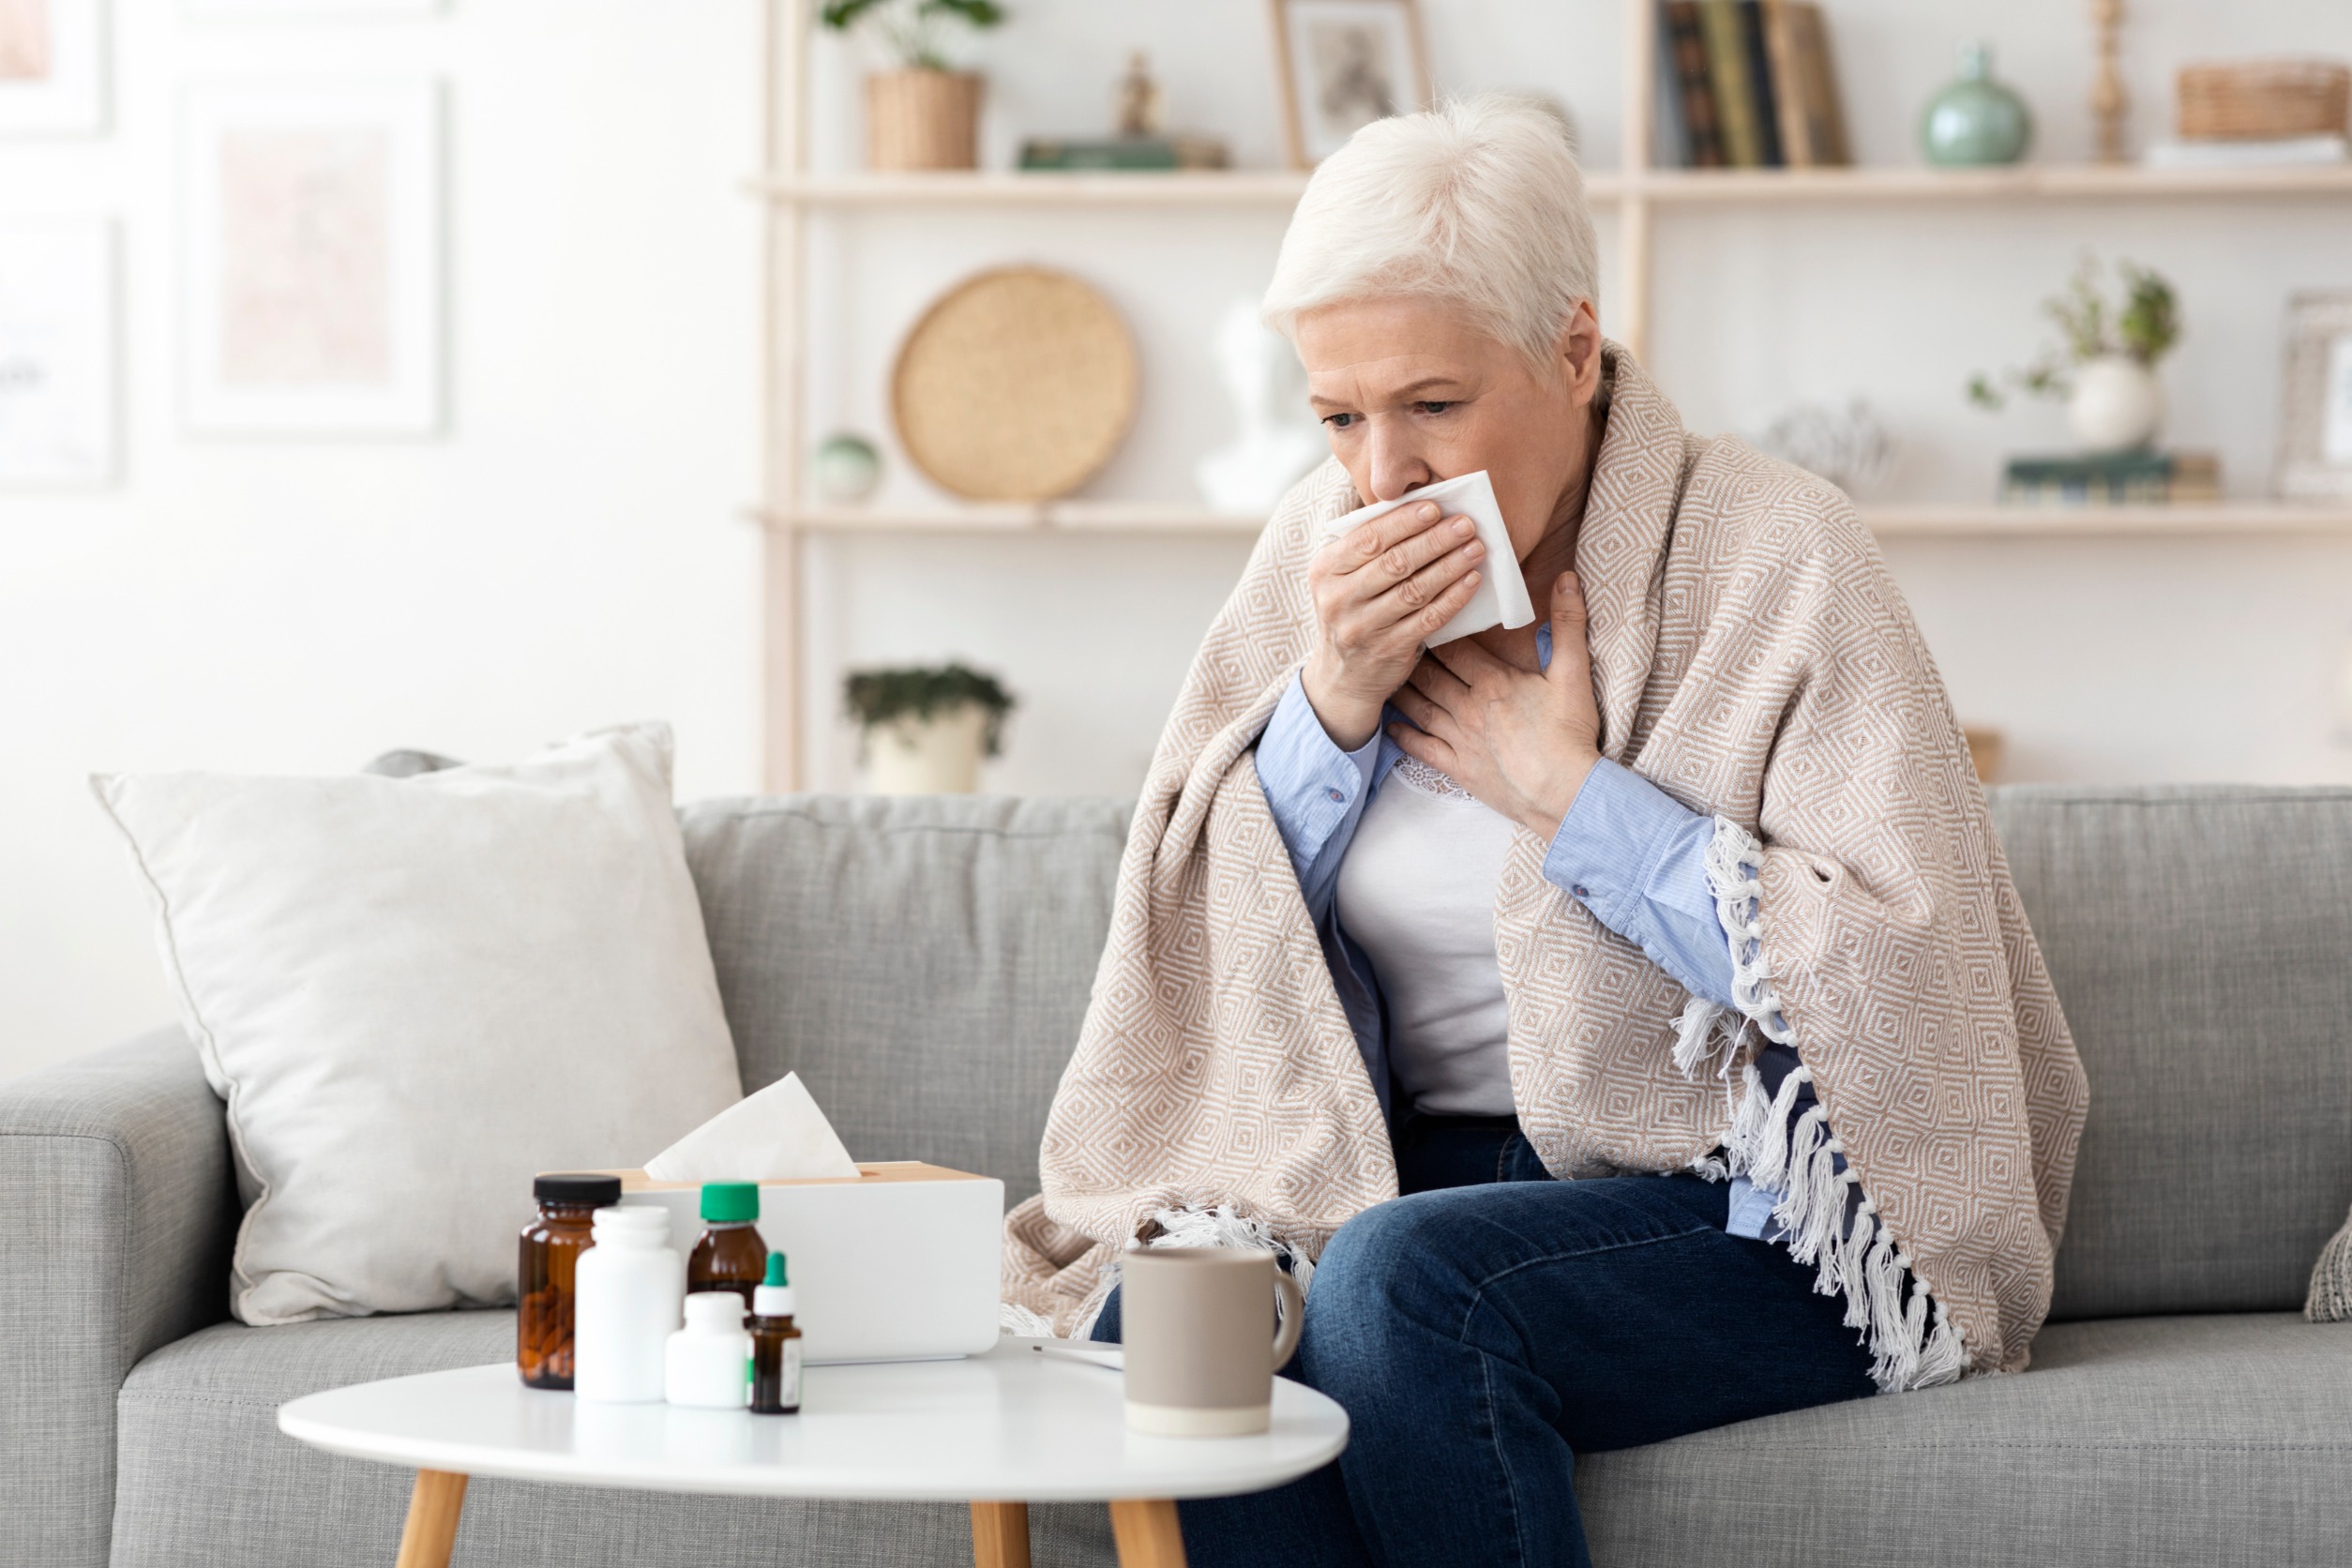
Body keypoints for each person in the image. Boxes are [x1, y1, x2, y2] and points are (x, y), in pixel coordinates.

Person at [1003, 95, 2088, 1568]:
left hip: (1740, 1215)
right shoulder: (1306, 559)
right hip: (1397, 1174)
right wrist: (1327, 708)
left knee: (1399, 1290)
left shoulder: (1778, 551)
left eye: (1432, 405)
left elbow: (1900, 962)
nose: (1379, 475)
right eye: (1337, 416)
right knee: (1172, 1317)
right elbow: (1206, 901)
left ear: (1574, 351)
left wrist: (1576, 804)